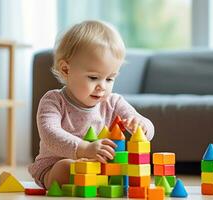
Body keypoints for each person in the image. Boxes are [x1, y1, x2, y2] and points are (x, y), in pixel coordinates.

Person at [28, 20, 155, 189]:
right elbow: (50, 135)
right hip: (56, 166)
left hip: (102, 168)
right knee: (66, 168)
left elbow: (145, 125)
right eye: (93, 77)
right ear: (66, 70)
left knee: (124, 171)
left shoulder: (113, 102)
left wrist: (142, 126)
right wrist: (84, 148)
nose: (102, 86)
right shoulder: (53, 101)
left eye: (110, 78)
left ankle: (100, 184)